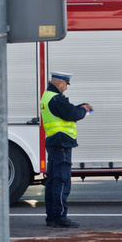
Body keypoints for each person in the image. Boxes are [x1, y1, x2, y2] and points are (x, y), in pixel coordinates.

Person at [40, 71, 92, 228]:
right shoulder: (55, 98)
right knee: (62, 181)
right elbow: (71, 113)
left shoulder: (48, 96)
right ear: (59, 83)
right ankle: (60, 217)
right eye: (65, 85)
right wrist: (84, 110)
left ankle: (52, 216)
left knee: (52, 181)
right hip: (62, 142)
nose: (66, 88)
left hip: (54, 141)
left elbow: (66, 111)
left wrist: (79, 107)